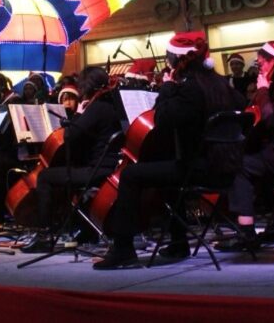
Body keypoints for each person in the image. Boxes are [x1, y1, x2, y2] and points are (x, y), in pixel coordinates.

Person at [94, 30, 238, 270]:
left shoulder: (190, 89)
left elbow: (162, 119)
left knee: (131, 174)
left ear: (178, 60)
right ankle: (179, 241)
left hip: (204, 168)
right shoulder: (220, 84)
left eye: (169, 57)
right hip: (227, 164)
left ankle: (123, 249)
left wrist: (168, 88)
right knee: (170, 165)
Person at [20, 67, 122, 253]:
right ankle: (86, 230)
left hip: (97, 171)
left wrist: (79, 114)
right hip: (110, 168)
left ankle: (44, 235)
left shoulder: (96, 108)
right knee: (70, 171)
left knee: (45, 177)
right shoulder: (112, 105)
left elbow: (70, 136)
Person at [218, 40, 274, 251]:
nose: (259, 68)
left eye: (262, 63)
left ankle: (246, 233)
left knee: (240, 166)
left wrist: (263, 90)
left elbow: (272, 119)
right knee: (255, 158)